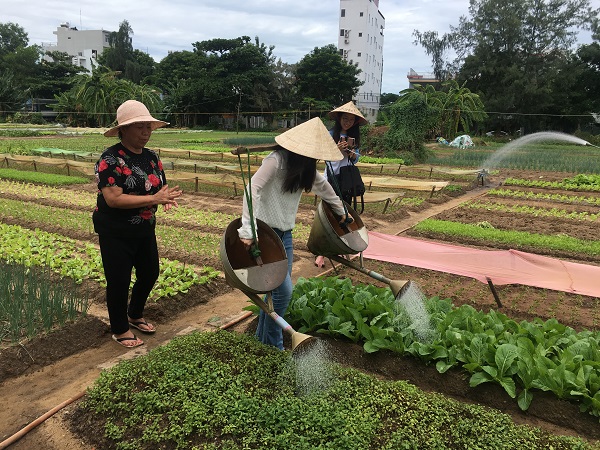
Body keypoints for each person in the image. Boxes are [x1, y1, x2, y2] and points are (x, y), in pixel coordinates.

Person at [237, 117, 349, 350]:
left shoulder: (307, 168)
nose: (316, 158)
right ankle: (275, 347)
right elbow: (252, 188)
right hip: (266, 237)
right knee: (283, 293)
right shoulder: (276, 161)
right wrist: (248, 229)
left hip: (285, 237)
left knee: (273, 293)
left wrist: (342, 212)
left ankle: (262, 344)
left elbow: (326, 189)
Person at [93, 100, 182, 348]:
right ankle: (120, 329)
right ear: (123, 129)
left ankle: (134, 314)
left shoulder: (152, 158)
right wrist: (154, 198)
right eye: (140, 127)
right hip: (115, 230)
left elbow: (158, 185)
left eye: (149, 127)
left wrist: (164, 197)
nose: (146, 132)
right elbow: (113, 199)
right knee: (119, 280)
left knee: (150, 272)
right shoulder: (110, 159)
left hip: (144, 227)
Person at [315, 101, 368, 268]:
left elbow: (356, 158)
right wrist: (336, 149)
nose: (348, 122)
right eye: (345, 118)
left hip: (346, 180)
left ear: (355, 122)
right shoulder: (331, 134)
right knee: (329, 214)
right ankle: (321, 253)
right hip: (331, 179)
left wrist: (351, 153)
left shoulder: (354, 138)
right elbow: (323, 155)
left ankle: (343, 247)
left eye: (351, 120)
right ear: (339, 118)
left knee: (345, 213)